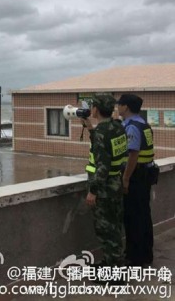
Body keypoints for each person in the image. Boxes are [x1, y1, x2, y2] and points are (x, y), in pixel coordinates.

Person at [81, 94, 127, 271]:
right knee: (115, 226)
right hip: (116, 183)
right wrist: (92, 130)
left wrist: (93, 191)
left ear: (96, 109)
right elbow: (107, 149)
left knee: (106, 230)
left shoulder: (103, 132)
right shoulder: (118, 126)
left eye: (92, 106)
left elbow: (103, 166)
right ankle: (111, 263)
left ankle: (114, 272)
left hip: (105, 189)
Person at [117, 93, 155, 267]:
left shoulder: (131, 127)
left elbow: (133, 154)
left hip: (136, 177)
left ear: (126, 107)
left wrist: (125, 179)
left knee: (133, 218)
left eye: (119, 104)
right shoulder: (143, 124)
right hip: (145, 175)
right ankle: (145, 255)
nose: (117, 107)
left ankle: (135, 258)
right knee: (143, 216)